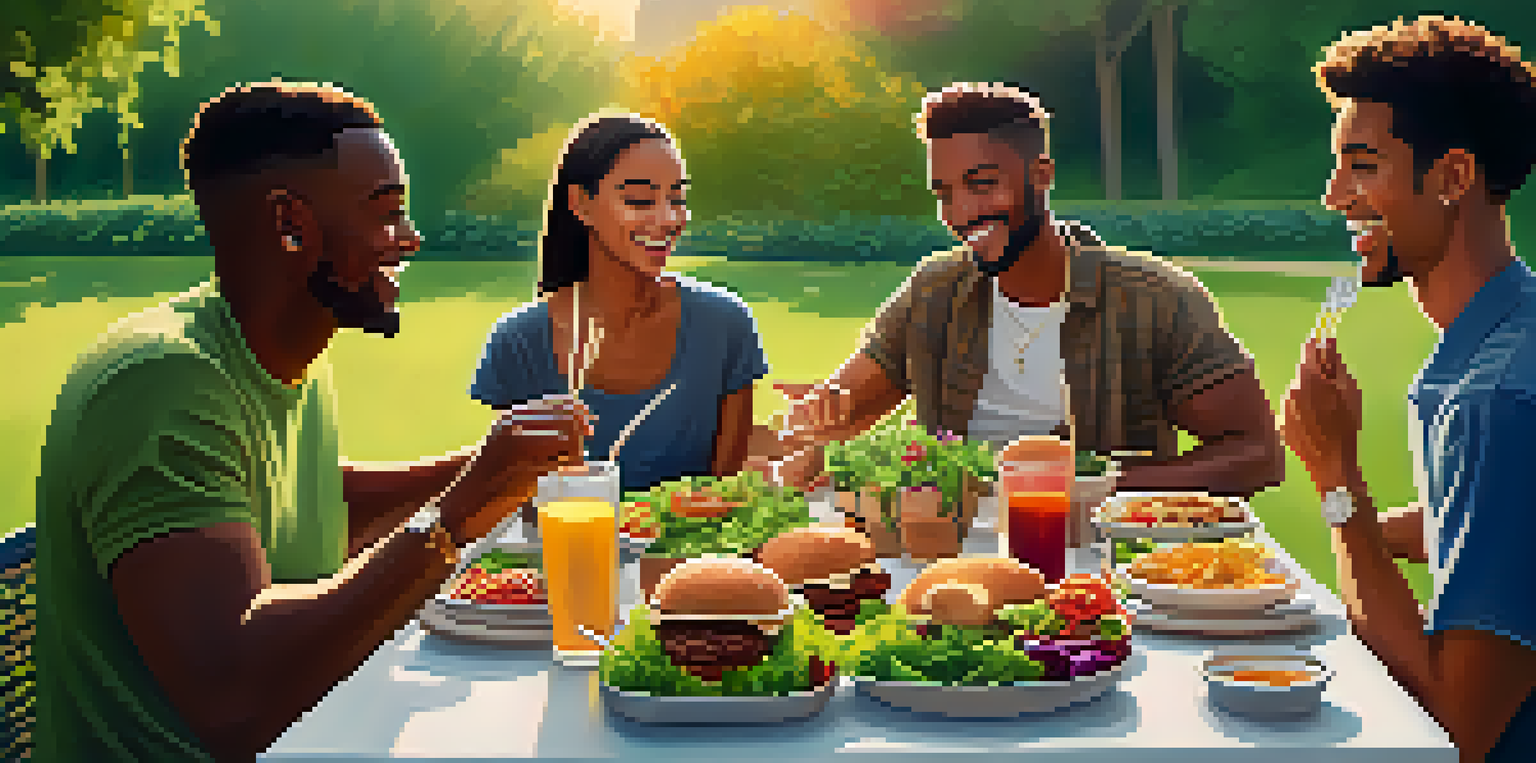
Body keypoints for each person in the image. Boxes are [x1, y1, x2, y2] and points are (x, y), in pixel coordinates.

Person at [33, 81, 591, 762]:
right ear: (290, 224)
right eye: (386, 215)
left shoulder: (281, 355)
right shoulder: (162, 381)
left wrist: (495, 471)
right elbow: (235, 699)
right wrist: (456, 513)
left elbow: (310, 503)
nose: (409, 240)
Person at [757, 83, 1284, 499]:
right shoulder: (932, 292)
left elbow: (1257, 452)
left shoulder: (1156, 299)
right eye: (945, 192)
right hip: (950, 548)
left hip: (1104, 559)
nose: (961, 213)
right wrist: (815, 424)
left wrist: (1090, 489)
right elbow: (842, 409)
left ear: (1042, 175)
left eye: (983, 184)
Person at [1282, 15, 1536, 762]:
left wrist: (1337, 483)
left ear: (1453, 177)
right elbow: (1493, 529)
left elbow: (1455, 728)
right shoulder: (1503, 336)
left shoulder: (1498, 399)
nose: (1335, 196)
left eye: (1362, 165)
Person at [469, 113, 769, 492]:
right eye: (640, 199)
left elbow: (725, 496)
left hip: (695, 553)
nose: (667, 219)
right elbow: (516, 495)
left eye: (677, 198)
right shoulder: (518, 343)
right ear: (581, 204)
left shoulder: (725, 325)